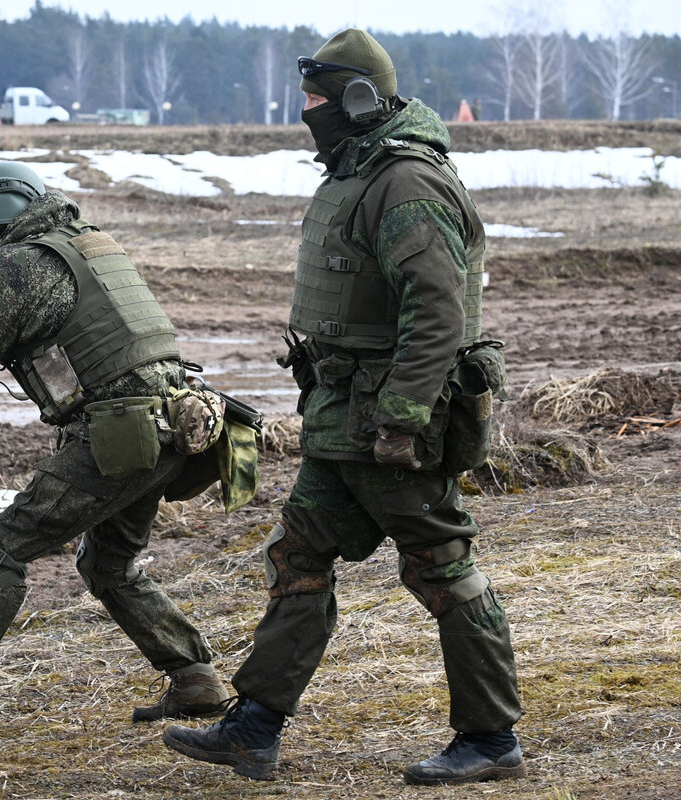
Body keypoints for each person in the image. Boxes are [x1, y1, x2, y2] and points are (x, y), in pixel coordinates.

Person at [161, 29, 525, 785]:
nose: (307, 111)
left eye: (318, 99)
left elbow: (438, 311)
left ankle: (490, 740)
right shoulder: (361, 171)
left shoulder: (405, 183)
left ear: (358, 100)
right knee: (299, 556)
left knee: (442, 567)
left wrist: (403, 415)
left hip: (388, 425)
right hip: (342, 417)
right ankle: (253, 727)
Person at [0, 161, 233, 740]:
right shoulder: (82, 244)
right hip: (171, 425)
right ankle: (195, 678)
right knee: (106, 564)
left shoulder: (20, 264)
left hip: (119, 434)